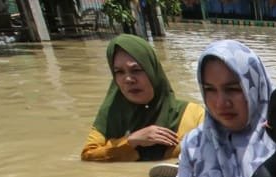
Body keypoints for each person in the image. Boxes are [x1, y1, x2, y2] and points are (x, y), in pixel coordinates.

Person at [173, 40, 276, 177]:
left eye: (233, 89)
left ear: (256, 87)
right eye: (210, 90)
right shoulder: (194, 143)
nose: (221, 103)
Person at [81, 34, 204, 162]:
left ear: (152, 71)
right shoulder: (110, 115)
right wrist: (130, 141)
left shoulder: (193, 114)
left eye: (136, 70)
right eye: (119, 72)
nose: (128, 80)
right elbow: (88, 156)